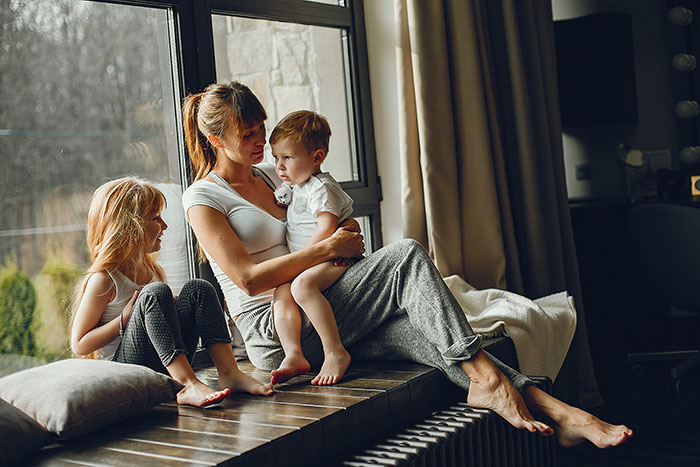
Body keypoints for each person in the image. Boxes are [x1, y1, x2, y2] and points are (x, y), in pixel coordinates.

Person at [181, 81, 632, 448]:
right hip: (275, 333)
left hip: (315, 306)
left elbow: (314, 220)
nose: (261, 140)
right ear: (215, 140)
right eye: (248, 134)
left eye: (262, 127)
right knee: (407, 255)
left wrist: (344, 234)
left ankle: (557, 411)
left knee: (427, 333)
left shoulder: (269, 175)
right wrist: (325, 249)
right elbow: (247, 279)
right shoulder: (203, 198)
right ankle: (505, 390)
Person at [70, 177, 273, 408]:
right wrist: (125, 318)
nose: (165, 226)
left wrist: (170, 308)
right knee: (155, 293)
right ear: (130, 226)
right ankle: (187, 384)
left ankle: (229, 372)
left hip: (161, 363)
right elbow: (79, 344)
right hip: (126, 369)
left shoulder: (152, 269)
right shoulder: (105, 279)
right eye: (156, 219)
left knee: (198, 288)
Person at [267, 110, 355, 386]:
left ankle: (335, 351)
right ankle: (293, 354)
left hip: (330, 256)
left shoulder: (321, 188)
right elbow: (284, 196)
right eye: (276, 158)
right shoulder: (298, 185)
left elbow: (326, 229)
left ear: (317, 157)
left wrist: (300, 260)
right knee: (282, 291)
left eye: (288, 158)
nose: (280, 167)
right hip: (310, 260)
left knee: (301, 287)